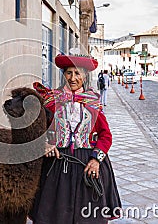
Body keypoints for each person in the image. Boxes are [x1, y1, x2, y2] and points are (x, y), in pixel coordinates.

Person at [30, 54, 121, 224]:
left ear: (85, 76)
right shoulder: (51, 101)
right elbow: (36, 130)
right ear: (63, 75)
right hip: (57, 164)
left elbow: (105, 135)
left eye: (77, 73)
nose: (73, 78)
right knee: (54, 216)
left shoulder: (93, 102)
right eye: (69, 73)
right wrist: (45, 143)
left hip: (87, 164)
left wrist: (96, 160)